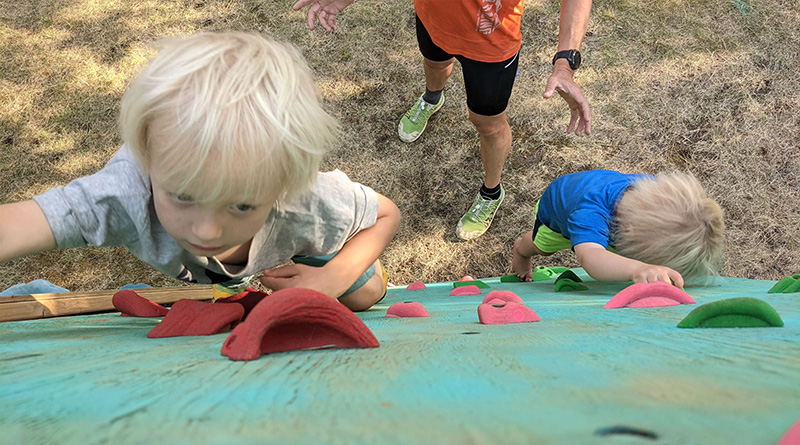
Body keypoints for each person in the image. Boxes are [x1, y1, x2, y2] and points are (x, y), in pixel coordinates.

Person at [0, 32, 400, 312]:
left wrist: (331, 278)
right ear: (147, 160)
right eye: (183, 195)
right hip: (211, 277)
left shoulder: (304, 200)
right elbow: (18, 224)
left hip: (295, 251)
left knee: (366, 292)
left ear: (281, 185)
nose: (207, 231)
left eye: (242, 204)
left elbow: (384, 213)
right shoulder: (123, 193)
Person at [292, 0, 593, 240]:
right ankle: (432, 98)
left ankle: (491, 192)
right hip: (431, 18)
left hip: (490, 44)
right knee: (435, 63)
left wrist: (565, 62)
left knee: (487, 123)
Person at [511, 170, 725, 287]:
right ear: (629, 231)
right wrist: (636, 269)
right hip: (557, 210)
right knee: (542, 246)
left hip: (595, 206)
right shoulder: (590, 212)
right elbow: (591, 257)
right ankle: (521, 249)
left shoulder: (648, 193)